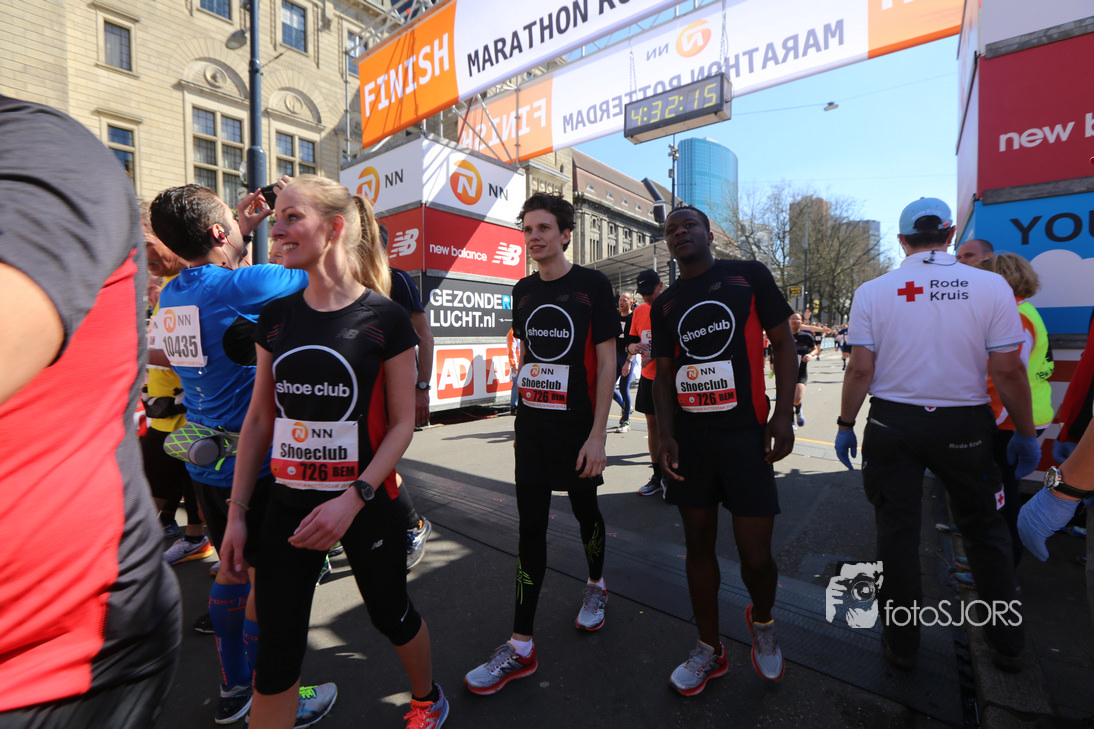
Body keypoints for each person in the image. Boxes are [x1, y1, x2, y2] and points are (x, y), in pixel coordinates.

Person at [220, 175, 447, 729]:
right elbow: (259, 419)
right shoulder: (276, 317)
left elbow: (401, 425)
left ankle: (427, 699)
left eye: (292, 217)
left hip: (365, 504)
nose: (278, 228)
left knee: (391, 615)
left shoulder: (384, 318)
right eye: (277, 218)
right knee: (276, 654)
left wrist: (353, 497)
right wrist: (238, 512)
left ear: (334, 227)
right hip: (289, 506)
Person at [0, 95, 180, 727]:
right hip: (180, 440)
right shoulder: (183, 290)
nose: (148, 261)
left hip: (63, 660)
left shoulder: (41, 150)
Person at [150, 182, 336, 725]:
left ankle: (234, 687)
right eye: (231, 223)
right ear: (217, 231)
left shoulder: (172, 294)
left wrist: (240, 232)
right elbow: (316, 267)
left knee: (231, 570)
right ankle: (274, 694)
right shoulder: (243, 284)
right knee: (266, 584)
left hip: (203, 459)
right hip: (254, 465)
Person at [835, 197, 1039, 673]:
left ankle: (902, 644)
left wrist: (845, 424)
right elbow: (1009, 370)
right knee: (985, 531)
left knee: (897, 534)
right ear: (949, 235)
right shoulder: (990, 286)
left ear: (901, 240)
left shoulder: (874, 291)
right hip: (964, 422)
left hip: (893, 423)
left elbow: (861, 369)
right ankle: (1007, 644)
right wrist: (1027, 434)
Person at [464, 192, 616, 695]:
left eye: (544, 228)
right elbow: (530, 354)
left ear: (566, 234)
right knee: (530, 530)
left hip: (578, 430)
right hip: (532, 430)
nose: (534, 237)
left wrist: (598, 434)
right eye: (528, 229)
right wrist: (521, 415)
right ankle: (521, 645)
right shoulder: (523, 290)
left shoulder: (593, 286)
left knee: (586, 512)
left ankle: (596, 585)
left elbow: (607, 363)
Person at [651, 205, 796, 694]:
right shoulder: (666, 303)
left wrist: (781, 414)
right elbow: (663, 376)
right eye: (671, 229)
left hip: (745, 437)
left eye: (689, 225)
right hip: (692, 441)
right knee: (698, 546)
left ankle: (764, 622)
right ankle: (709, 648)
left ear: (709, 235)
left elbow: (783, 344)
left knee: (756, 556)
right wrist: (665, 435)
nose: (680, 232)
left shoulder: (748, 275)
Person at [951, 253, 1055, 588]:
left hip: (1009, 422)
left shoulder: (1015, 316)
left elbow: (1008, 376)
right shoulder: (1019, 310)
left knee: (999, 500)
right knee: (997, 496)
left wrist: (985, 422)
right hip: (1018, 418)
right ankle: (990, 563)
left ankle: (1001, 575)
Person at [140, 203, 213, 563]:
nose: (143, 256)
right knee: (186, 484)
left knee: (147, 491)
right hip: (166, 413)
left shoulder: (189, 286)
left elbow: (190, 354)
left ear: (171, 240)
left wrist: (131, 349)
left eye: (148, 244)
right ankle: (196, 538)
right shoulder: (171, 285)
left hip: (185, 414)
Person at [378, 223, 435, 570]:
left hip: (393, 388)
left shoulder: (397, 280)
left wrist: (422, 389)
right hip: (363, 389)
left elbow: (424, 335)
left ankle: (413, 525)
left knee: (380, 461)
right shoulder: (347, 280)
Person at [629, 270, 667, 496]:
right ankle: (658, 475)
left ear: (660, 286)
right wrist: (633, 348)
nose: (645, 297)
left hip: (671, 378)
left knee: (671, 427)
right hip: (648, 377)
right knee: (652, 426)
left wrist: (657, 353)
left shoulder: (673, 306)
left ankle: (672, 474)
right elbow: (631, 342)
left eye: (649, 292)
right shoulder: (640, 311)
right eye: (642, 293)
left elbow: (682, 342)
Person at [789, 312, 819, 429]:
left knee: (796, 399)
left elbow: (815, 349)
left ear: (802, 322)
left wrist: (810, 355)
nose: (795, 321)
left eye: (798, 319)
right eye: (792, 319)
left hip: (800, 372)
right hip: (786, 373)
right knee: (787, 400)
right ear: (788, 321)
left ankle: (798, 410)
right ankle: (791, 422)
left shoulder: (806, 337)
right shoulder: (784, 336)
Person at [614, 291, 636, 432]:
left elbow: (635, 342)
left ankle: (626, 421)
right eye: (620, 299)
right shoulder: (615, 316)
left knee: (623, 388)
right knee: (609, 387)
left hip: (627, 356)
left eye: (625, 300)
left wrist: (628, 361)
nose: (621, 302)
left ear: (631, 302)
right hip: (614, 356)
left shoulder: (633, 318)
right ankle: (625, 406)